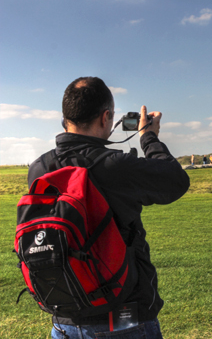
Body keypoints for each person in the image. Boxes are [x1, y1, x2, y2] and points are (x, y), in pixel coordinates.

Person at [27, 77, 190, 339]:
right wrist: (148, 136)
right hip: (122, 317)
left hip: (65, 316)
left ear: (65, 117)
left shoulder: (40, 168)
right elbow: (175, 181)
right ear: (106, 118)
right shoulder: (114, 165)